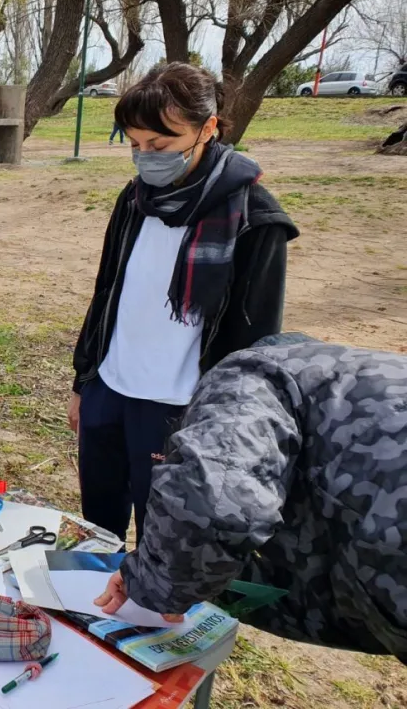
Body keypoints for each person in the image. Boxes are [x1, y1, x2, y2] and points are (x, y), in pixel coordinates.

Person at [69, 62, 299, 546]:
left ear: (208, 127)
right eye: (135, 145)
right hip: (110, 392)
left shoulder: (256, 220)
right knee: (97, 530)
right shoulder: (134, 200)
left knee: (165, 540)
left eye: (161, 144)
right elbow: (107, 291)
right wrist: (83, 382)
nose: (146, 158)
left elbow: (254, 347)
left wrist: (224, 431)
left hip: (179, 410)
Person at [95, 333, 407, 661]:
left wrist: (148, 580)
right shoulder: (345, 382)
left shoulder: (252, 374)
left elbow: (211, 502)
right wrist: (213, 588)